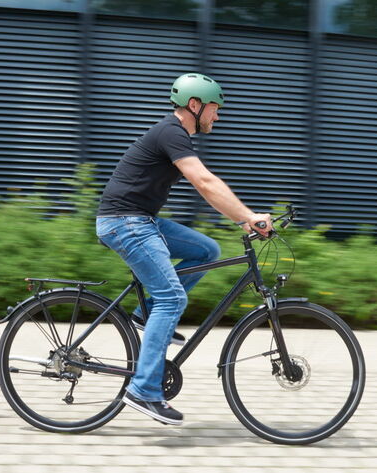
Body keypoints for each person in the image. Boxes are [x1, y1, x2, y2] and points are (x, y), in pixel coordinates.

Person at [95, 73, 272, 425]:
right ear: (195, 105)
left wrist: (240, 220)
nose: (217, 117)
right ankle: (144, 390)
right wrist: (250, 216)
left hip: (140, 218)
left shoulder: (175, 135)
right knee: (172, 298)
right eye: (214, 109)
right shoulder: (171, 131)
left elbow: (206, 186)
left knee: (206, 251)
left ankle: (145, 316)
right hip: (125, 222)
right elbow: (205, 182)